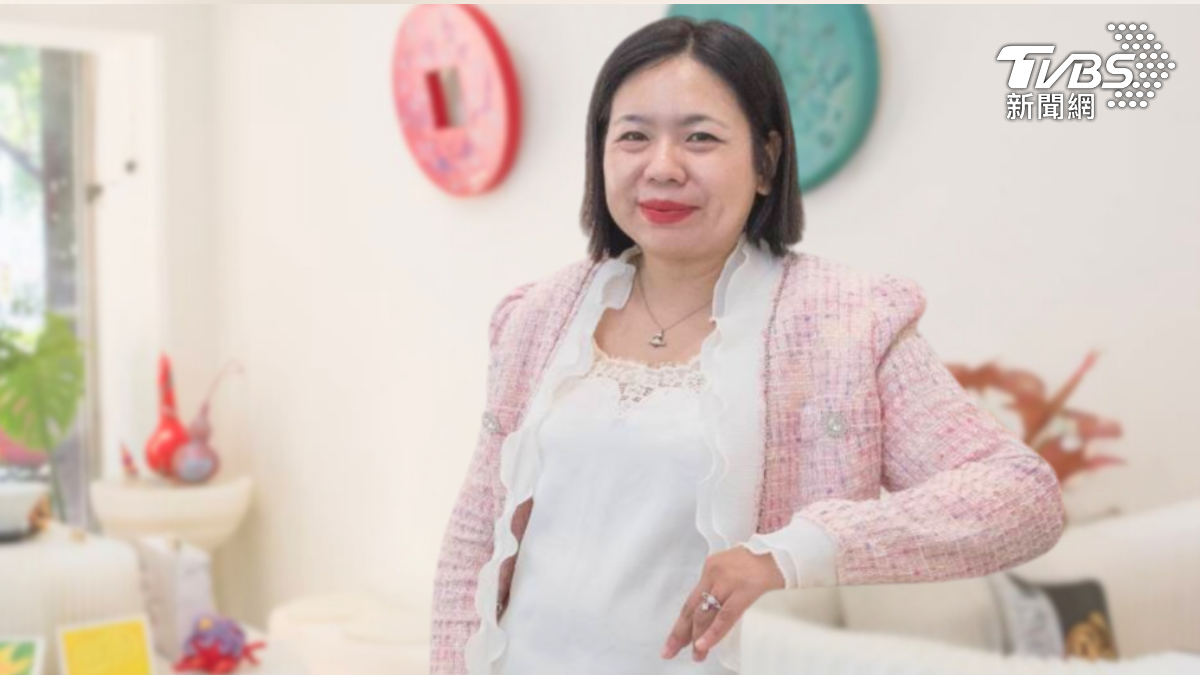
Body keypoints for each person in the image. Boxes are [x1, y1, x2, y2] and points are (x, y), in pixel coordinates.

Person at [430, 16, 1066, 675]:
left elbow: (1022, 496)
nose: (662, 167)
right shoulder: (537, 317)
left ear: (765, 161)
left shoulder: (846, 322)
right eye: (633, 136)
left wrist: (793, 551)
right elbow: (475, 538)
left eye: (700, 137)